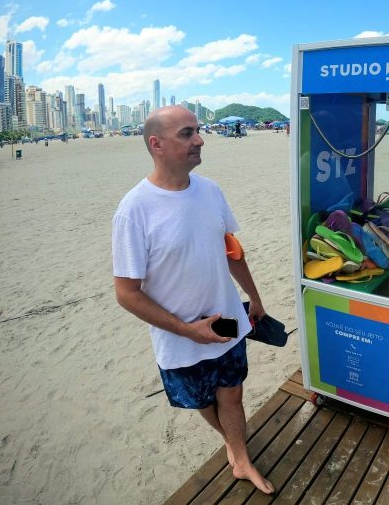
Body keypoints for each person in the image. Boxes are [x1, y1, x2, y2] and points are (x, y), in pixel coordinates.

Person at [112, 106, 274, 495]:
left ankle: (241, 459)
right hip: (180, 337)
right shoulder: (134, 210)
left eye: (198, 131)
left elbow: (231, 252)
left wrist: (253, 297)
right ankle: (234, 447)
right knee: (204, 401)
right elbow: (126, 293)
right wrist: (188, 330)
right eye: (187, 133)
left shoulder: (210, 190)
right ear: (157, 145)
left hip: (228, 321)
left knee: (232, 395)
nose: (200, 140)